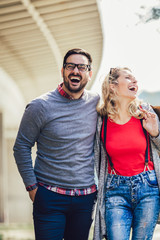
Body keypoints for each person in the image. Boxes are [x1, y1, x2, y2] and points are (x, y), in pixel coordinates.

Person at [13, 48, 99, 240]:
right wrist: (32, 188)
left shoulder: (97, 103)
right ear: (62, 71)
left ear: (89, 74)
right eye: (70, 66)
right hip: (49, 196)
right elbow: (21, 147)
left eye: (82, 67)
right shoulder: (39, 106)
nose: (75, 71)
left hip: (85, 199)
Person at [93, 67, 160, 240]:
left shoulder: (145, 112)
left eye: (135, 79)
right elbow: (97, 157)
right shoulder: (102, 119)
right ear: (113, 86)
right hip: (115, 190)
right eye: (128, 78)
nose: (134, 81)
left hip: (147, 188)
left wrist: (155, 133)